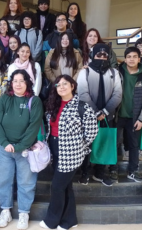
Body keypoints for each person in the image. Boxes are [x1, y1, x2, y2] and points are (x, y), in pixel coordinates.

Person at [40, 75, 98, 230]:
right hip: (54, 147)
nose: (62, 87)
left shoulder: (82, 106)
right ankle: (69, 221)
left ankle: (51, 220)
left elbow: (92, 131)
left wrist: (80, 146)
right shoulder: (53, 104)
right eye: (58, 85)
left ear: (73, 86)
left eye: (65, 84)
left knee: (57, 186)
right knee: (66, 186)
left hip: (72, 152)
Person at [0, 70, 43, 229]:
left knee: (26, 182)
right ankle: (5, 211)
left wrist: (20, 146)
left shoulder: (34, 101)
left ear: (28, 82)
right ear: (11, 83)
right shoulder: (5, 98)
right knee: (4, 180)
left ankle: (23, 213)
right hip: (4, 149)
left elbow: (33, 127)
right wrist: (4, 142)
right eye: (15, 81)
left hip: (25, 150)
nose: (18, 84)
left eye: (21, 81)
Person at [76, 44, 122, 186]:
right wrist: (95, 112)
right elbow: (83, 93)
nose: (102, 57)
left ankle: (100, 172)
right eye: (98, 55)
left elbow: (118, 94)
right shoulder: (85, 72)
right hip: (89, 115)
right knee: (87, 143)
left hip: (108, 116)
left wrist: (105, 112)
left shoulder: (114, 73)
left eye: (104, 55)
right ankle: (85, 171)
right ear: (93, 56)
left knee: (104, 142)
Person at [110, 47, 142, 183]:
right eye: (129, 56)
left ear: (139, 59)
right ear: (125, 59)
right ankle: (113, 170)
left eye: (134, 56)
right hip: (118, 115)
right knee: (115, 143)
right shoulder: (117, 72)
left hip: (135, 117)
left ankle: (133, 171)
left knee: (134, 145)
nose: (131, 59)